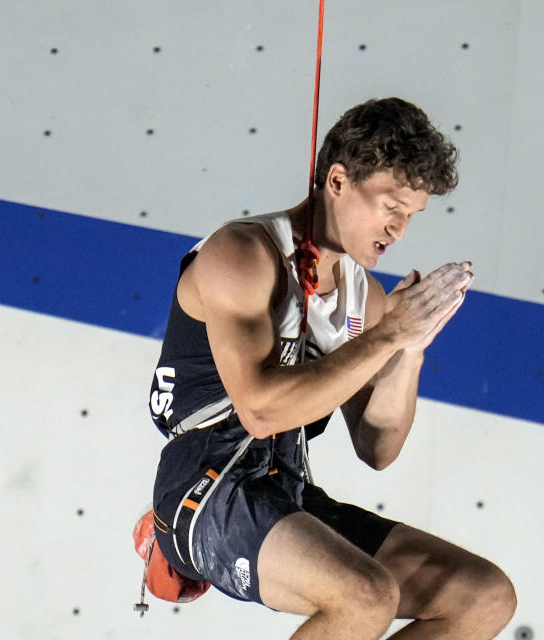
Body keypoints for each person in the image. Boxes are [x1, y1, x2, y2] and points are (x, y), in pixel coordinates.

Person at [147, 97, 516, 639]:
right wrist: (388, 334)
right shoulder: (243, 254)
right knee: (365, 596)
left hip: (286, 489)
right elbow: (260, 410)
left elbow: (377, 448)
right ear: (338, 181)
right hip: (204, 488)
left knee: (482, 597)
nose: (399, 230)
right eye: (391, 206)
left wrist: (409, 350)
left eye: (412, 216)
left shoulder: (363, 298)